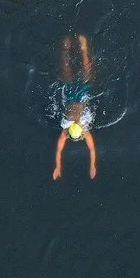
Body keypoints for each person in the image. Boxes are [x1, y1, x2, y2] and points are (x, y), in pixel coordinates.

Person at [53, 34, 97, 180]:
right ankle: (69, 48)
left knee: (86, 73)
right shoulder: (68, 128)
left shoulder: (81, 128)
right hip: (72, 96)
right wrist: (92, 166)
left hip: (81, 96)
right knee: (67, 71)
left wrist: (58, 167)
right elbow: (60, 150)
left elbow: (91, 149)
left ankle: (82, 49)